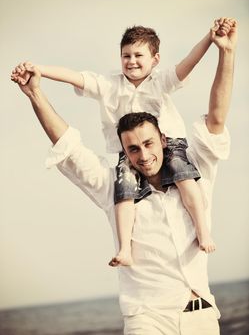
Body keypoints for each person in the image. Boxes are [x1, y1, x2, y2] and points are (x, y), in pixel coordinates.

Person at [11, 18, 237, 334]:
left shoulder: (195, 175)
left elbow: (216, 118)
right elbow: (69, 146)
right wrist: (35, 92)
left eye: (148, 144)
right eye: (132, 149)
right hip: (148, 320)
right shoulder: (116, 190)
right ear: (123, 152)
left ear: (164, 139)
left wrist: (226, 53)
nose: (143, 156)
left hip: (202, 317)